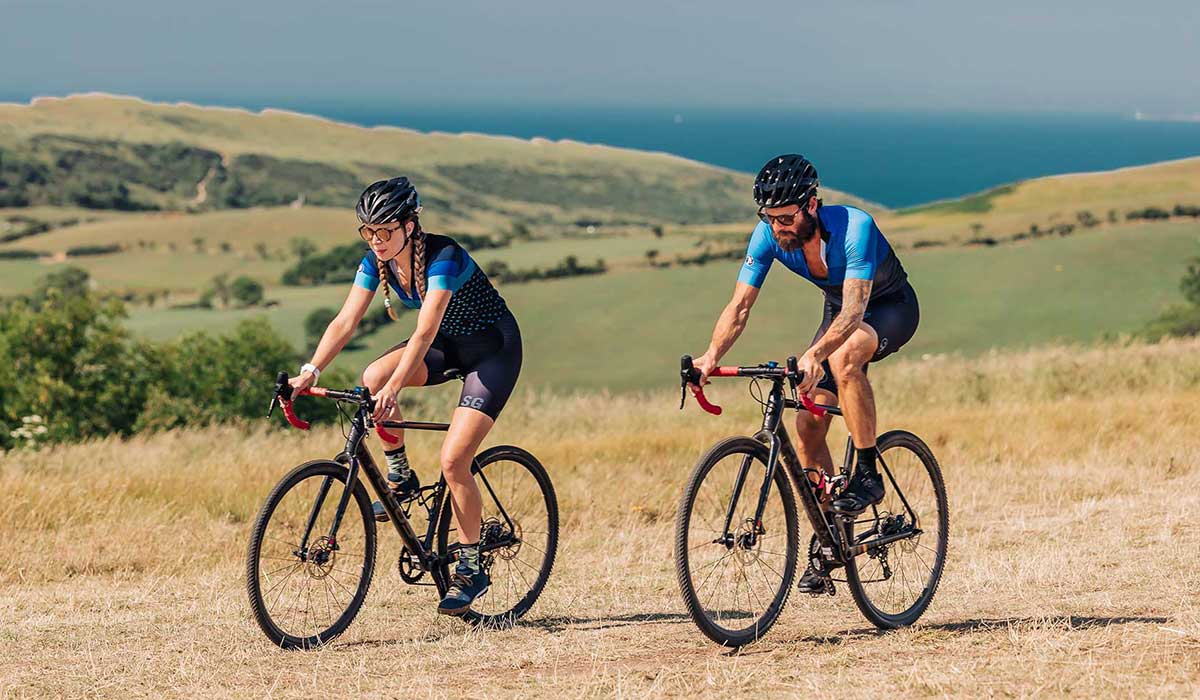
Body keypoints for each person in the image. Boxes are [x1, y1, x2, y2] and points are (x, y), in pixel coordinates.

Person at [289, 177, 521, 615]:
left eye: (385, 231)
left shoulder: (443, 256)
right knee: (371, 377)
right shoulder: (374, 263)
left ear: (410, 225)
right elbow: (344, 321)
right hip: (449, 345)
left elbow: (425, 329)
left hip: (493, 351)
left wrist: (397, 387)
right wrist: (310, 370)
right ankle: (400, 476)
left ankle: (471, 569)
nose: (376, 240)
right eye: (368, 232)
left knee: (454, 460)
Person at [689, 154, 919, 593]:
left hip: (888, 308)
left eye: (787, 218)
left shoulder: (855, 227)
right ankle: (832, 539)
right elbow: (739, 307)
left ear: (812, 205)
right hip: (839, 313)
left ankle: (867, 473)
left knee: (844, 357)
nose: (778, 229)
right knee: (808, 427)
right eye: (769, 219)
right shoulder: (768, 236)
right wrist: (710, 356)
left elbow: (855, 308)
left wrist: (815, 353)